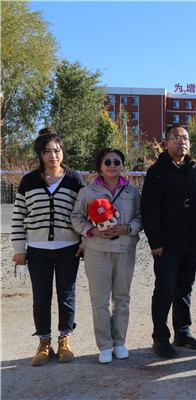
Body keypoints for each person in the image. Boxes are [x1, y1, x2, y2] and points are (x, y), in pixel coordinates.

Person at [11, 128, 85, 366]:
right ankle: (44, 343)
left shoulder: (74, 179)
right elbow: (18, 216)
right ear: (40, 154)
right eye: (47, 151)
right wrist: (19, 248)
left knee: (66, 295)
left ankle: (65, 340)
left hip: (69, 248)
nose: (53, 155)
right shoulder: (29, 180)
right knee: (41, 297)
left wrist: (84, 242)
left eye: (57, 150)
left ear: (62, 152)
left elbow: (84, 214)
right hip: (37, 249)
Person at [141, 126, 196, 358]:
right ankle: (160, 338)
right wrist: (155, 241)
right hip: (167, 244)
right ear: (167, 142)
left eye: (186, 138)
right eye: (177, 138)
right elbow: (149, 210)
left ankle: (183, 332)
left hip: (192, 242)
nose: (182, 142)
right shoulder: (157, 172)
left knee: (185, 289)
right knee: (164, 290)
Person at [71, 148, 142, 363]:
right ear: (100, 166)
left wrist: (127, 228)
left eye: (117, 161)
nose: (112, 165)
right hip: (96, 251)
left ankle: (119, 342)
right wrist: (92, 231)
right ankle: (104, 345)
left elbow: (141, 218)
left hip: (124, 251)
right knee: (99, 301)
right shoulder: (88, 191)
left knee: (122, 299)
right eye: (107, 162)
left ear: (122, 165)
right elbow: (76, 218)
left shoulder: (132, 191)